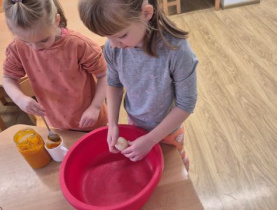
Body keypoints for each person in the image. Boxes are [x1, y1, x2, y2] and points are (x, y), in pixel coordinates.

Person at [78, 0, 198, 169]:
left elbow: (186, 104)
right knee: (145, 167)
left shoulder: (177, 51)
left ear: (146, 13)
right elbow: (113, 83)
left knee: (173, 170)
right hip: (135, 124)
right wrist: (112, 124)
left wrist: (150, 139)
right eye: (107, 37)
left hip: (168, 131)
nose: (112, 44)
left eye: (121, 36)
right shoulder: (114, 48)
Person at [2, 0, 108, 131]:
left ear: (57, 20)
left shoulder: (78, 45)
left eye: (44, 40)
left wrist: (96, 107)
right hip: (56, 121)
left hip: (90, 117)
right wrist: (19, 98)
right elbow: (8, 78)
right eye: (26, 42)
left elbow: (105, 75)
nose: (36, 48)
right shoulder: (17, 48)